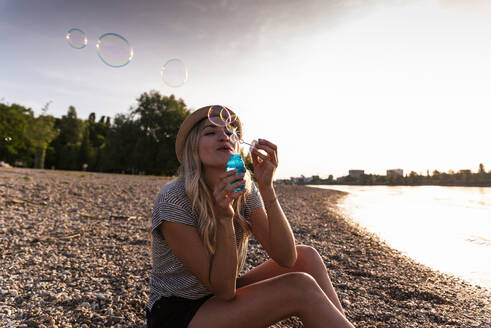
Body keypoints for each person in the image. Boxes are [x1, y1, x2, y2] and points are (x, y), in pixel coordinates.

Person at [146, 106, 355, 328]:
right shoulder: (174, 199)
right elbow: (225, 291)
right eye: (210, 132)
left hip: (221, 291)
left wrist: (267, 187)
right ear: (193, 149)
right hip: (180, 313)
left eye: (229, 133)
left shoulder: (245, 190)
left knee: (307, 258)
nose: (223, 136)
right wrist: (224, 218)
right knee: (300, 287)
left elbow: (286, 257)